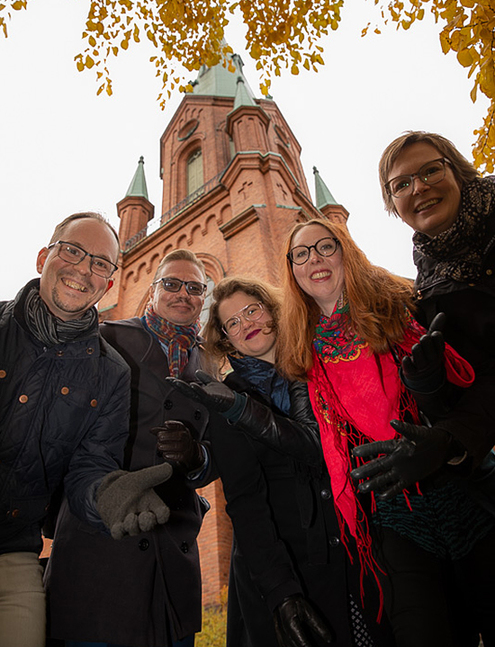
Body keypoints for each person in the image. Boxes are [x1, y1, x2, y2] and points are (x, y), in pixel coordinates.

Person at [277, 217, 495, 647]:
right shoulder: (299, 349)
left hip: (458, 484)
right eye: (301, 253)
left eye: (325, 246)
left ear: (346, 251)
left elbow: (469, 395)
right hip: (391, 507)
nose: (314, 259)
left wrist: (431, 386)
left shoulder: (401, 302)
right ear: (292, 270)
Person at [169, 276, 393, 647]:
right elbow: (244, 503)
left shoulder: (323, 369)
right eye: (233, 323)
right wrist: (280, 592)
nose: (247, 324)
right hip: (286, 569)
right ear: (226, 339)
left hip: (359, 560)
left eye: (252, 310)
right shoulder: (229, 398)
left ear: (274, 309)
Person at [0, 212, 172, 647]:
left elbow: (90, 466)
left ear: (109, 284)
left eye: (100, 263)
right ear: (44, 257)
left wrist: (105, 495)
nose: (83, 269)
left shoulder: (111, 374)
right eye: (73, 251)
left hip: (12, 554)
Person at [45, 249, 215, 647]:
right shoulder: (107, 337)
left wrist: (199, 458)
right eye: (171, 284)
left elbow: (223, 452)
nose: (183, 294)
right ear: (152, 291)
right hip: (100, 557)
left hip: (173, 561)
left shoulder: (211, 362)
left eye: (195, 288)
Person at [376, 130, 495, 467]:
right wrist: (430, 391)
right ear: (395, 207)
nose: (418, 187)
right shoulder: (429, 292)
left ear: (457, 171)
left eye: (430, 171)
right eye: (401, 185)